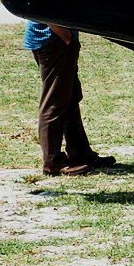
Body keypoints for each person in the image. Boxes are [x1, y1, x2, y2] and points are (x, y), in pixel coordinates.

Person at [26, 21, 115, 175]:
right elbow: (46, 8)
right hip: (54, 40)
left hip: (59, 39)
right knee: (55, 102)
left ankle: (80, 154)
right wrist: (67, 38)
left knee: (71, 97)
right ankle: (53, 162)